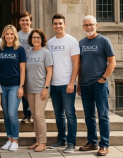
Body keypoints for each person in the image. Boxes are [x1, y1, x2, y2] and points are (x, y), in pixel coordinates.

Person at [78, 15, 116, 156]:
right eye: (86, 25)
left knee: (103, 115)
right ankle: (92, 142)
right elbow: (79, 65)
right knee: (89, 115)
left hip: (99, 85)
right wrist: (79, 84)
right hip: (85, 84)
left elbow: (112, 62)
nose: (89, 27)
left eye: (91, 24)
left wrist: (103, 78)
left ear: (96, 25)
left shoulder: (104, 41)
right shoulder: (81, 43)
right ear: (83, 27)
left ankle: (104, 144)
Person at [47, 13, 80, 153]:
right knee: (58, 113)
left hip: (67, 83)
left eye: (60, 23)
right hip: (54, 84)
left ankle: (71, 143)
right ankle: (62, 139)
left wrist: (72, 82)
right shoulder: (50, 42)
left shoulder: (71, 41)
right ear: (52, 25)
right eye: (55, 23)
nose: (58, 26)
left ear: (64, 24)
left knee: (70, 114)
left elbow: (76, 63)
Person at [0, 24, 26, 151]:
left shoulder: (19, 49)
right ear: (3, 36)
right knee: (6, 114)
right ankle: (9, 138)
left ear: (15, 36)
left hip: (14, 85)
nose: (9, 36)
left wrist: (21, 86)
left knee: (13, 114)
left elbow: (23, 70)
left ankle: (15, 140)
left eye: (11, 34)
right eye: (7, 34)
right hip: (1, 85)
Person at [25, 29, 53, 152]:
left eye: (38, 37)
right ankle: (37, 140)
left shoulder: (45, 53)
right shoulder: (28, 53)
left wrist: (46, 88)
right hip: (30, 89)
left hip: (41, 88)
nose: (36, 39)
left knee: (39, 115)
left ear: (42, 39)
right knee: (34, 116)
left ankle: (43, 142)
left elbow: (50, 71)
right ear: (31, 39)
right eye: (34, 37)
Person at [18, 12, 33, 124]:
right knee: (22, 90)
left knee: (32, 90)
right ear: (19, 22)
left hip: (33, 66)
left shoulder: (35, 34)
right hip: (20, 67)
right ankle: (26, 114)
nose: (25, 22)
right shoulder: (16, 35)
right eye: (23, 20)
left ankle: (32, 114)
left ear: (30, 21)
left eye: (27, 20)